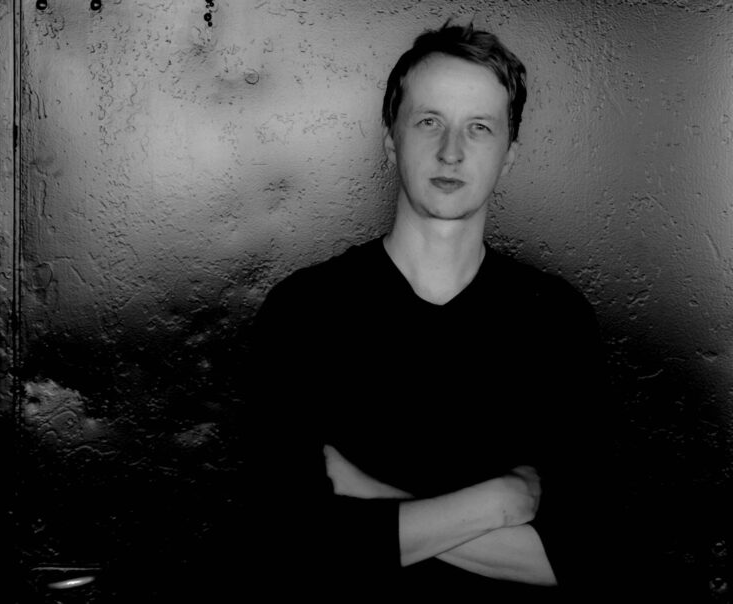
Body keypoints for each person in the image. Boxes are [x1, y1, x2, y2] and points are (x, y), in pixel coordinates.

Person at [243, 21, 611, 602]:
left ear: (509, 156)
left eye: (480, 128)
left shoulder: (556, 322)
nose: (452, 151)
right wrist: (496, 504)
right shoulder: (306, 312)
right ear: (391, 140)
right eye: (429, 121)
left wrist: (362, 493)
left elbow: (586, 560)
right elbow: (286, 548)